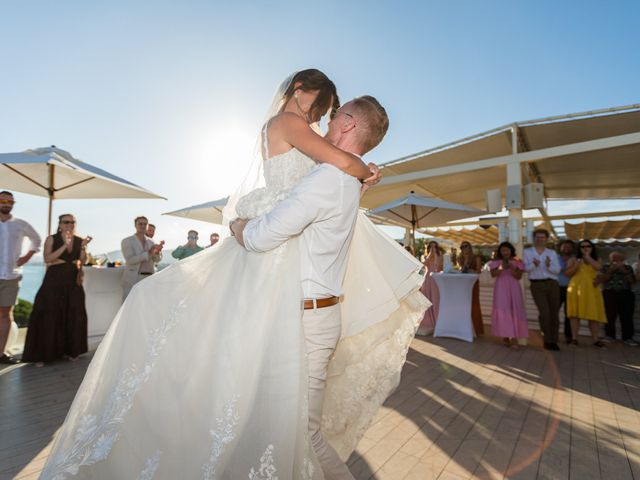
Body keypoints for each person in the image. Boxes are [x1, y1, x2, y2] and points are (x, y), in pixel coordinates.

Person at [41, 70, 428, 479]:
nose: (325, 117)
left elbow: (276, 225)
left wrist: (241, 227)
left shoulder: (332, 174)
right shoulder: (304, 142)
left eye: (334, 113)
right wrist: (362, 170)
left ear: (348, 124)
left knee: (288, 423)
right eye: (323, 105)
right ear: (300, 90)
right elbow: (334, 178)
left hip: (289, 278)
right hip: (292, 283)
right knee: (266, 411)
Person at [22, 214, 91, 366]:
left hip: (73, 281)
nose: (70, 224)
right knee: (49, 313)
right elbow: (48, 259)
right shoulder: (51, 239)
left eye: (72, 222)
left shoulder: (79, 240)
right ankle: (43, 354)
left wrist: (84, 247)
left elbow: (83, 261)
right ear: (60, 224)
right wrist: (65, 245)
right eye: (66, 222)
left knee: (73, 313)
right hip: (54, 280)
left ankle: (70, 350)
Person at [0, 191, 41, 365]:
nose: (7, 203)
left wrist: (27, 256)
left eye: (10, 201)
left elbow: (36, 239)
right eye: (3, 200)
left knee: (5, 314)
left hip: (11, 276)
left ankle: (1, 353)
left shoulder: (20, 224)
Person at [523, 229, 561, 350]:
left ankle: (553, 341)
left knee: (554, 314)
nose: (540, 239)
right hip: (537, 285)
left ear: (546, 239)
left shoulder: (552, 253)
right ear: (534, 238)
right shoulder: (527, 252)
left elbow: (557, 270)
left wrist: (549, 265)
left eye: (542, 237)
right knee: (544, 313)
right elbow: (525, 269)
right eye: (537, 237)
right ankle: (547, 339)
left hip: (552, 284)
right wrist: (534, 264)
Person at [566, 239, 607, 347]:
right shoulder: (574, 259)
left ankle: (595, 340)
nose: (585, 248)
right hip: (575, 288)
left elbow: (599, 267)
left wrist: (588, 257)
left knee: (593, 315)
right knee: (574, 315)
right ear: (578, 248)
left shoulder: (597, 258)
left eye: (588, 246)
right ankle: (574, 338)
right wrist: (576, 266)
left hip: (591, 289)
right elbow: (567, 273)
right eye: (582, 246)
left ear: (592, 247)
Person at [488, 242, 528, 349]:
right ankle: (505, 335)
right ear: (500, 252)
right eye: (503, 250)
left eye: (507, 250)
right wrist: (501, 267)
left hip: (514, 288)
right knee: (503, 310)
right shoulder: (496, 262)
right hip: (501, 288)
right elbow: (493, 275)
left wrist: (511, 267)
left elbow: (518, 277)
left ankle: (514, 338)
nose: (505, 252)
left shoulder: (518, 262)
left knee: (514, 310)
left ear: (511, 250)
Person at [120, 216, 163, 300]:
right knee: (129, 308)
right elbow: (130, 260)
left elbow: (157, 260)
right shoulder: (127, 241)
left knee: (146, 308)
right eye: (140, 224)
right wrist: (149, 253)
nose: (143, 226)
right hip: (133, 279)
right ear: (135, 225)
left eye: (145, 224)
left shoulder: (151, 241)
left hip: (149, 279)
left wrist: (157, 252)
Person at [600, 251, 637, 346]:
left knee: (627, 316)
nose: (616, 260)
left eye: (618, 258)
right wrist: (611, 270)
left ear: (622, 259)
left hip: (626, 293)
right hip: (609, 292)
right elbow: (602, 280)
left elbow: (632, 281)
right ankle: (609, 336)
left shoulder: (628, 268)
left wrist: (624, 270)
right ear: (610, 259)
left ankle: (628, 337)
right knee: (609, 315)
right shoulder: (605, 267)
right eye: (614, 258)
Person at [457, 241, 484, 335]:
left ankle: (476, 329)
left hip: (473, 283)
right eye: (462, 247)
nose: (464, 248)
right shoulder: (460, 258)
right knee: (464, 304)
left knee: (474, 304)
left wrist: (472, 270)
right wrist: (466, 260)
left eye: (466, 246)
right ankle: (464, 327)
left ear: (470, 247)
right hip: (463, 283)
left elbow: (478, 271)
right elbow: (462, 270)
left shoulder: (476, 258)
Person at [416, 240, 443, 336]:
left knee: (435, 300)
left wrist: (435, 254)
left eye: (434, 246)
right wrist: (430, 255)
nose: (432, 248)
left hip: (435, 281)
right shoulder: (425, 256)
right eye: (430, 246)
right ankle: (428, 322)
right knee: (427, 300)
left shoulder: (439, 256)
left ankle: (437, 323)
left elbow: (438, 268)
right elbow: (423, 266)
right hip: (427, 281)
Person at [557, 239, 575, 344]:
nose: (566, 248)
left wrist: (563, 270)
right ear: (560, 248)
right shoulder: (555, 257)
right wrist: (568, 270)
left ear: (572, 248)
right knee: (554, 312)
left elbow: (564, 271)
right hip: (557, 288)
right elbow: (555, 269)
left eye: (568, 246)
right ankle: (553, 334)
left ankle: (569, 336)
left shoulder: (575, 259)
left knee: (569, 314)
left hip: (571, 289)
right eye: (564, 246)